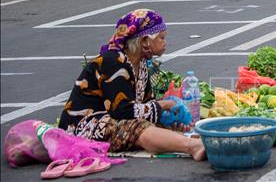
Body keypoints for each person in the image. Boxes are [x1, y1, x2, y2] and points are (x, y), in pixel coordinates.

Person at [58, 9, 206, 160]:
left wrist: (167, 119)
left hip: (112, 120)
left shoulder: (141, 65)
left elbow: (146, 106)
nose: (165, 43)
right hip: (82, 126)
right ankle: (192, 147)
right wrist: (165, 104)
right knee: (138, 128)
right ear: (144, 41)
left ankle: (189, 141)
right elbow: (122, 111)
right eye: (161, 38)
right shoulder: (113, 61)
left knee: (159, 126)